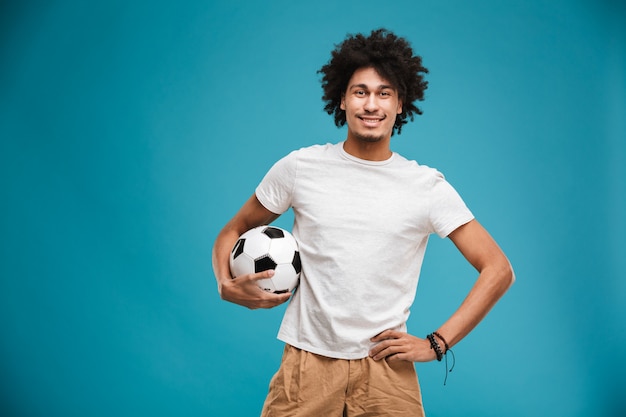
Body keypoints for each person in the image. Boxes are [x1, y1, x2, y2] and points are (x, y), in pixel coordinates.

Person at [212, 28, 515, 417]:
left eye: (384, 92)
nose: (371, 104)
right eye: (360, 91)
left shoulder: (426, 187)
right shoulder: (300, 168)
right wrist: (224, 284)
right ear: (342, 99)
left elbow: (498, 269)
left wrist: (437, 343)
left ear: (400, 104)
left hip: (387, 372)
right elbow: (232, 231)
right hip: (307, 367)